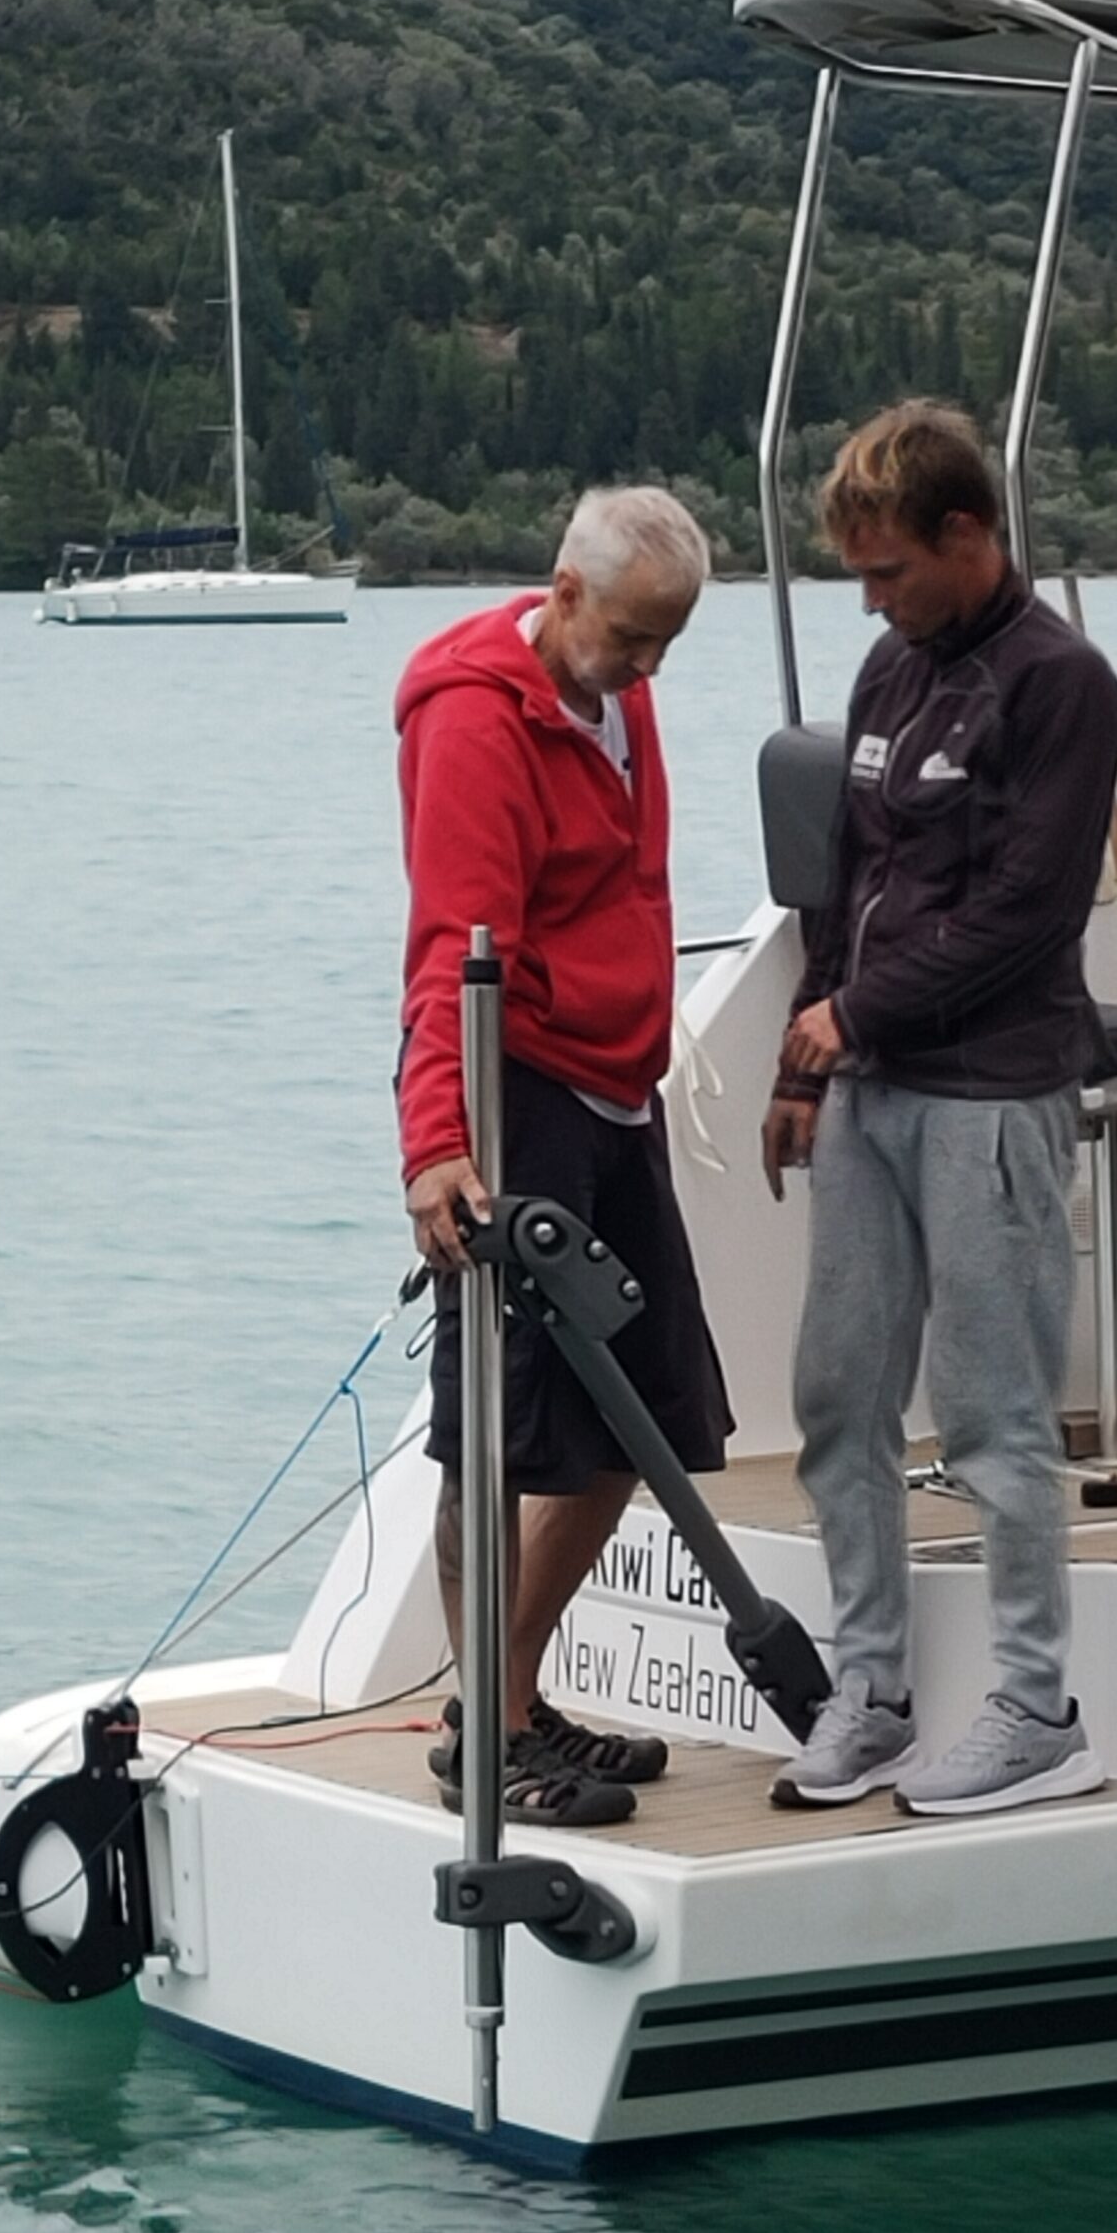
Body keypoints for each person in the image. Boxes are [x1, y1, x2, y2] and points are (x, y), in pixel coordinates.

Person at [762, 401, 1117, 1819]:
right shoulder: (890, 668)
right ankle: (871, 1694)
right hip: (869, 1092)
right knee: (839, 1397)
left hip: (993, 1094)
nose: (873, 600)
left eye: (889, 571)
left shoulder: (1066, 686)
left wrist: (854, 1017)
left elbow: (1030, 912)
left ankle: (1037, 1711)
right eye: (859, 576)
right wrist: (808, 1065)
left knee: (991, 1413)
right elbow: (848, 890)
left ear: (966, 534)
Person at [397, 485, 731, 1828]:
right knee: (496, 1432)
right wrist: (437, 1142)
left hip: (616, 1090)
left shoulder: (618, 695)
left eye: (668, 644)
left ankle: (507, 1700)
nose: (647, 670)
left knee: (652, 1414)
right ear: (567, 591)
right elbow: (450, 944)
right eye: (632, 639)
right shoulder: (478, 719)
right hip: (516, 1092)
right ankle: (488, 1730)